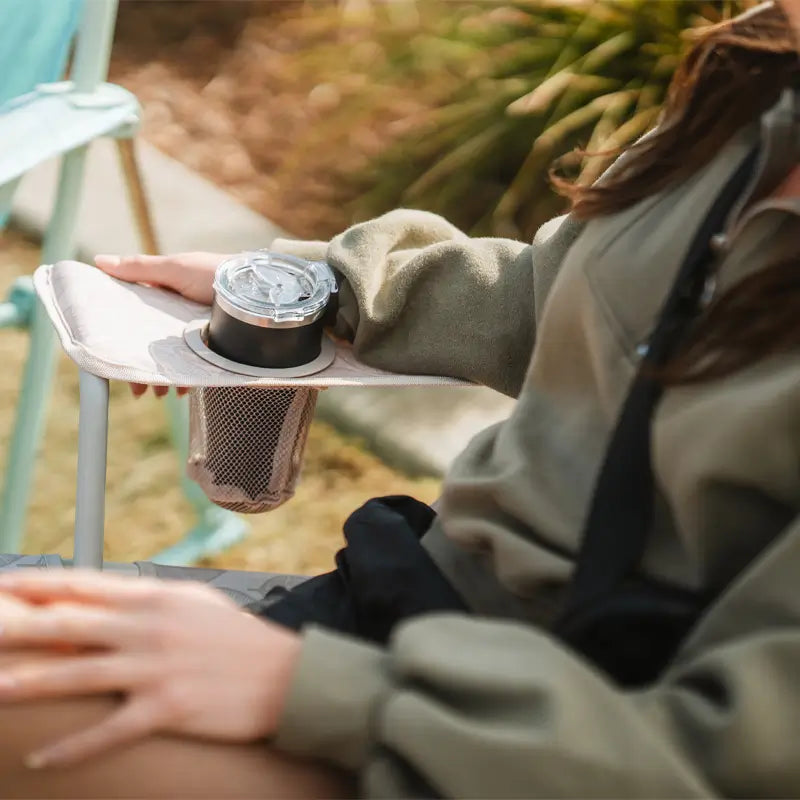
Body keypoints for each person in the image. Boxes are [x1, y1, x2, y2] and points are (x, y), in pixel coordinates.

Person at [1, 2, 799, 796]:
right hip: (409, 612)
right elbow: (565, 292)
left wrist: (312, 687)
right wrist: (320, 290)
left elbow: (718, 763)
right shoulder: (764, 82)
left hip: (500, 747)